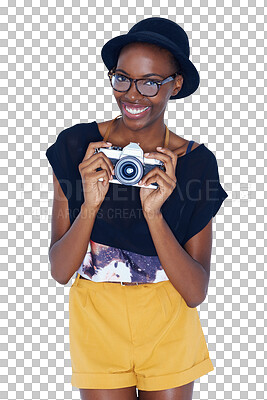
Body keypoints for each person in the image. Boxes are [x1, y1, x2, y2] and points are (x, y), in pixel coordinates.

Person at [46, 17, 228, 400]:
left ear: (174, 85)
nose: (132, 94)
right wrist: (89, 204)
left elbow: (195, 291)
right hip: (96, 323)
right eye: (122, 78)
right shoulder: (77, 146)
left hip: (168, 325)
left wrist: (154, 213)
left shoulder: (194, 163)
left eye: (150, 82)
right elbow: (61, 270)